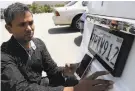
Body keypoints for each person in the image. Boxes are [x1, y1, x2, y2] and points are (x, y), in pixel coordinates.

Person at [1, 2, 114, 91]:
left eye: (30, 23)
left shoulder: (38, 44)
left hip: (40, 85)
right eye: (22, 24)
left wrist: (65, 71)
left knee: (73, 79)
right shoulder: (4, 55)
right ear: (9, 28)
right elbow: (22, 88)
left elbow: (52, 70)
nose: (29, 29)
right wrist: (74, 90)